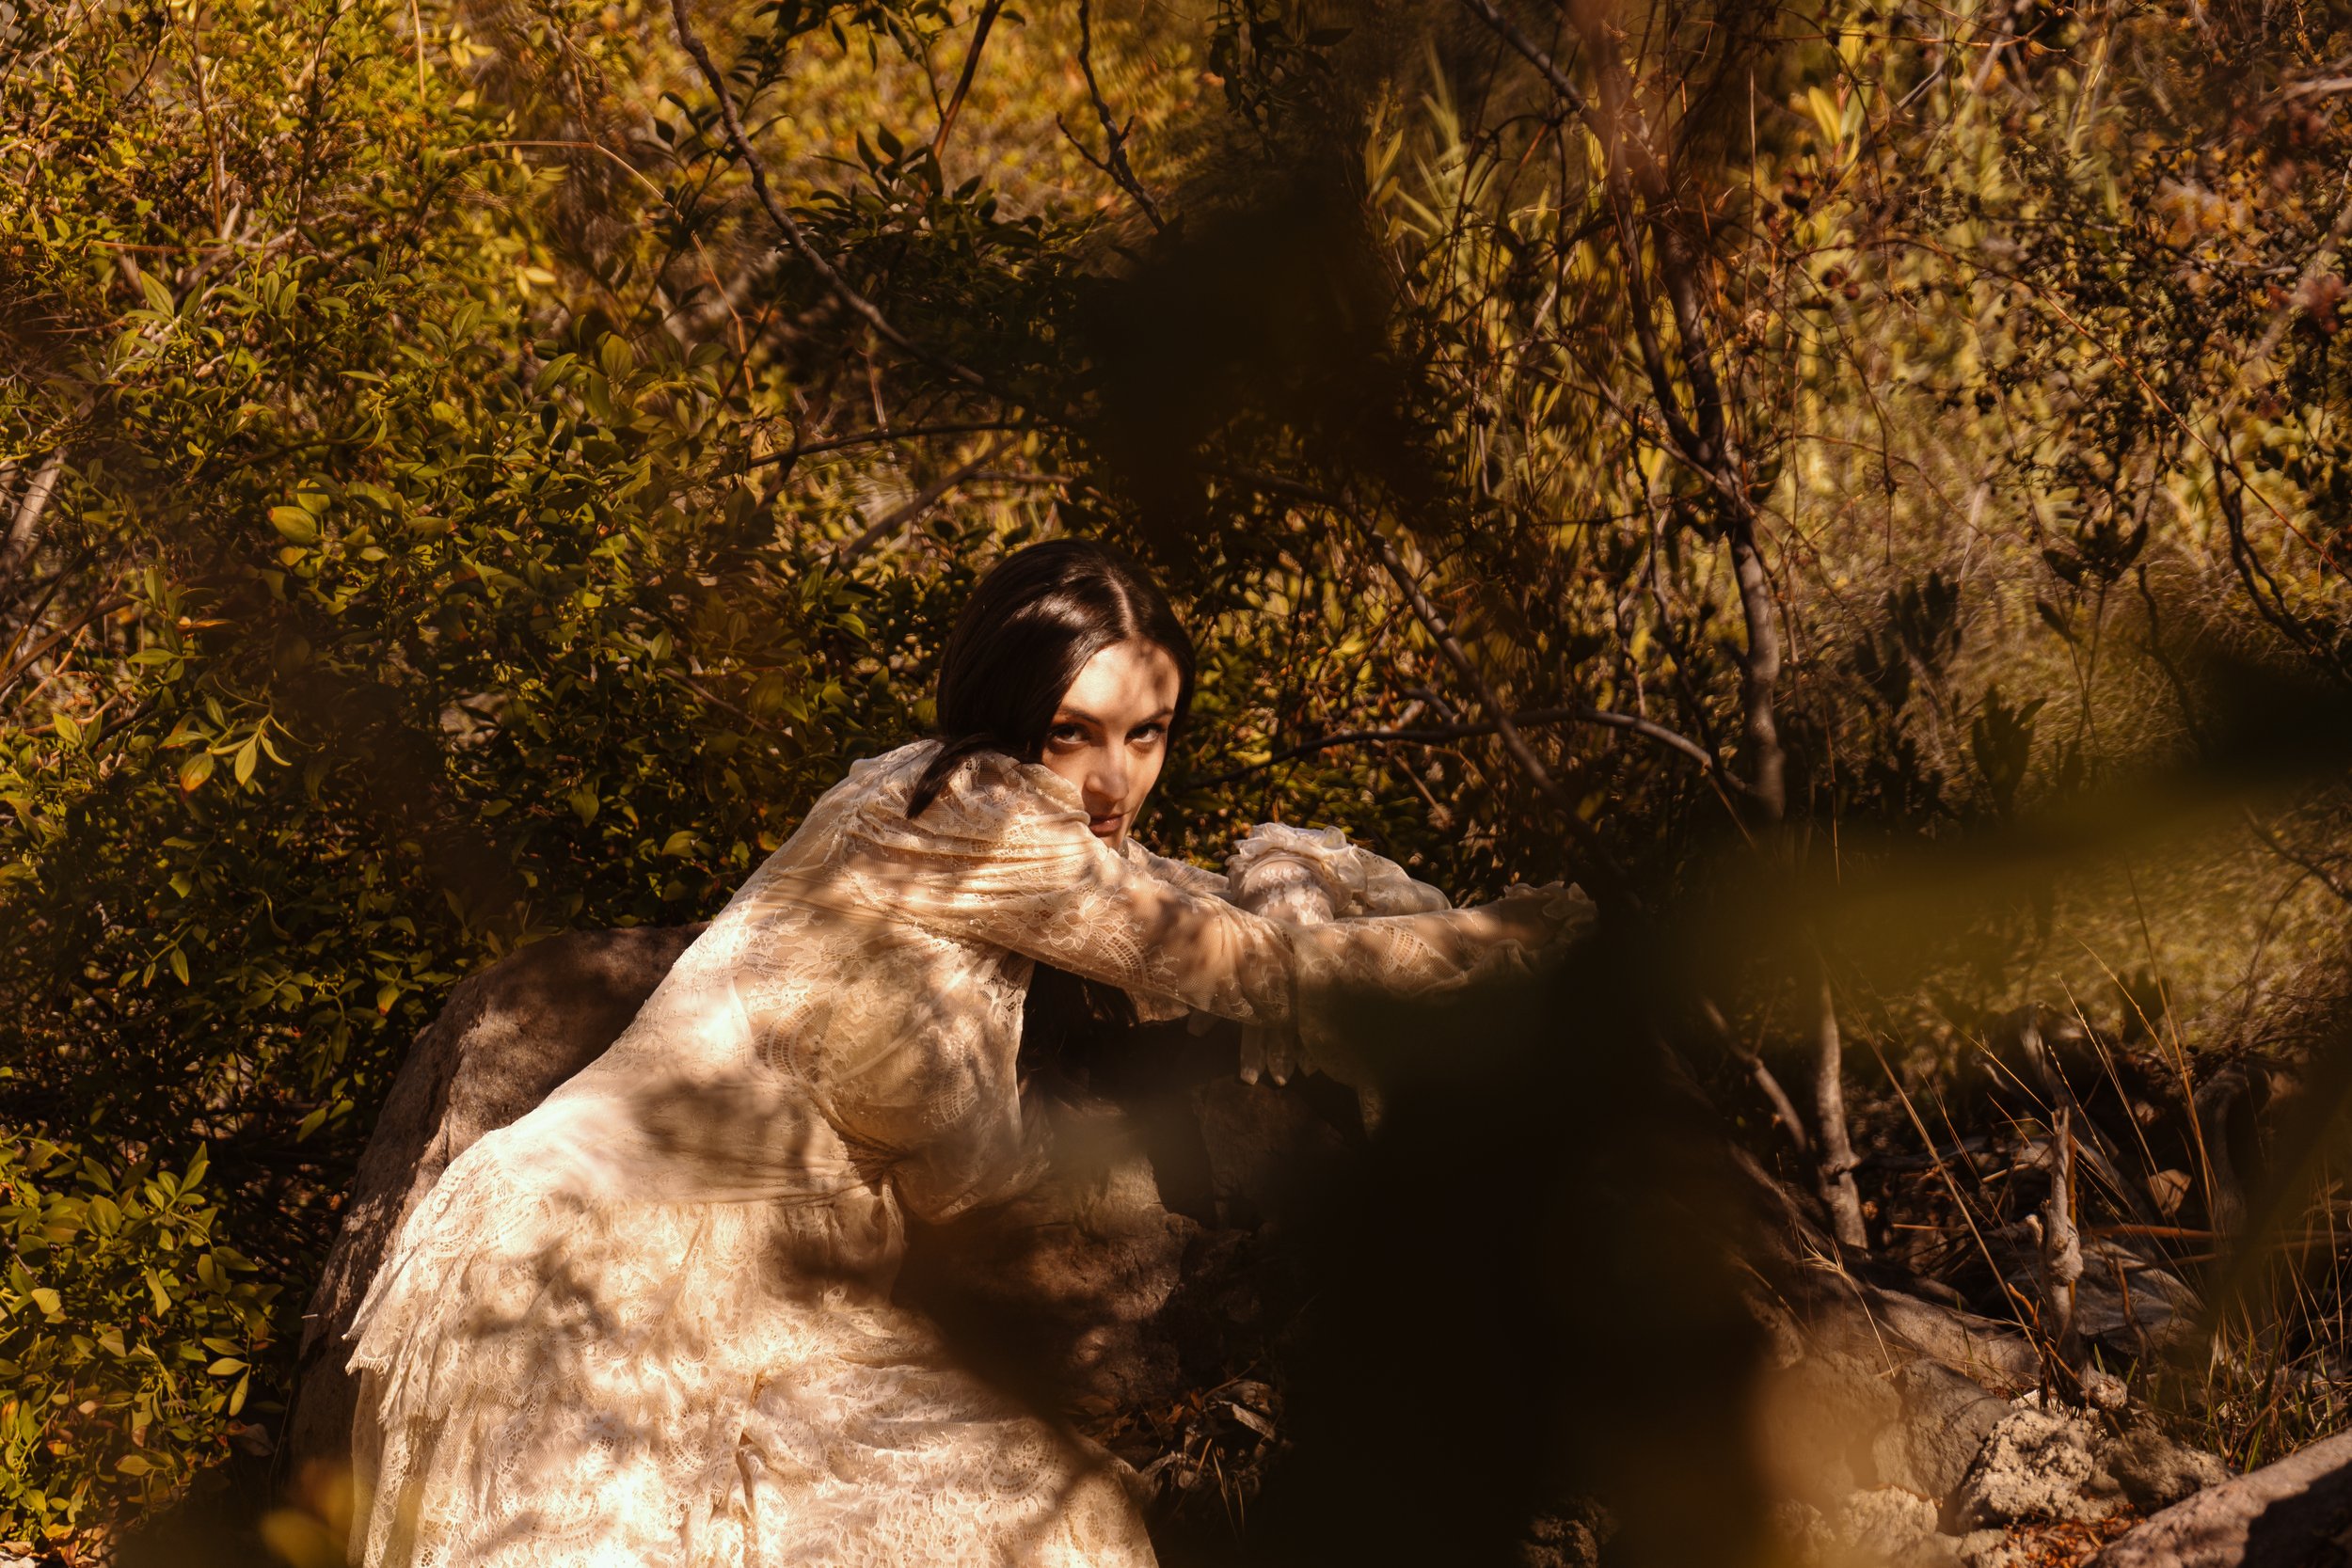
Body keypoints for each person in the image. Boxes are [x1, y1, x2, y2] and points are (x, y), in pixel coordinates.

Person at [345, 538, 1590, 1568]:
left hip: (716, 1271)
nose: (1115, 780)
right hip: (609, 1268)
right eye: (1075, 733)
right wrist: (1516, 943)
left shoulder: (929, 797)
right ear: (1008, 718)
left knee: (1044, 1521)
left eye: (1148, 734)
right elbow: (1235, 959)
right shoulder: (975, 816)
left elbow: (1172, 909)